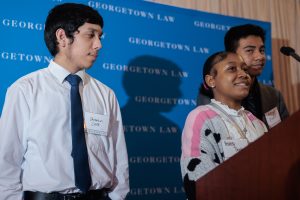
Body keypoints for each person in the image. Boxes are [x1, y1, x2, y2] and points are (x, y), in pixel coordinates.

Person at [0, 3, 129, 200]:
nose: (98, 44)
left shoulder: (106, 94)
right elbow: (7, 160)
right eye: (90, 34)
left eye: (99, 36)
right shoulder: (25, 90)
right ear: (62, 37)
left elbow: (119, 158)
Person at [181, 51, 267, 200]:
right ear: (211, 81)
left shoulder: (257, 123)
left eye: (245, 69)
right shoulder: (201, 117)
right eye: (232, 69)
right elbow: (197, 178)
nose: (243, 74)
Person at [197, 24, 289, 129]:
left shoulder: (273, 95)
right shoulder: (212, 94)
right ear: (232, 55)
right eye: (250, 50)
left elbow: (287, 132)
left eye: (262, 50)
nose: (260, 56)